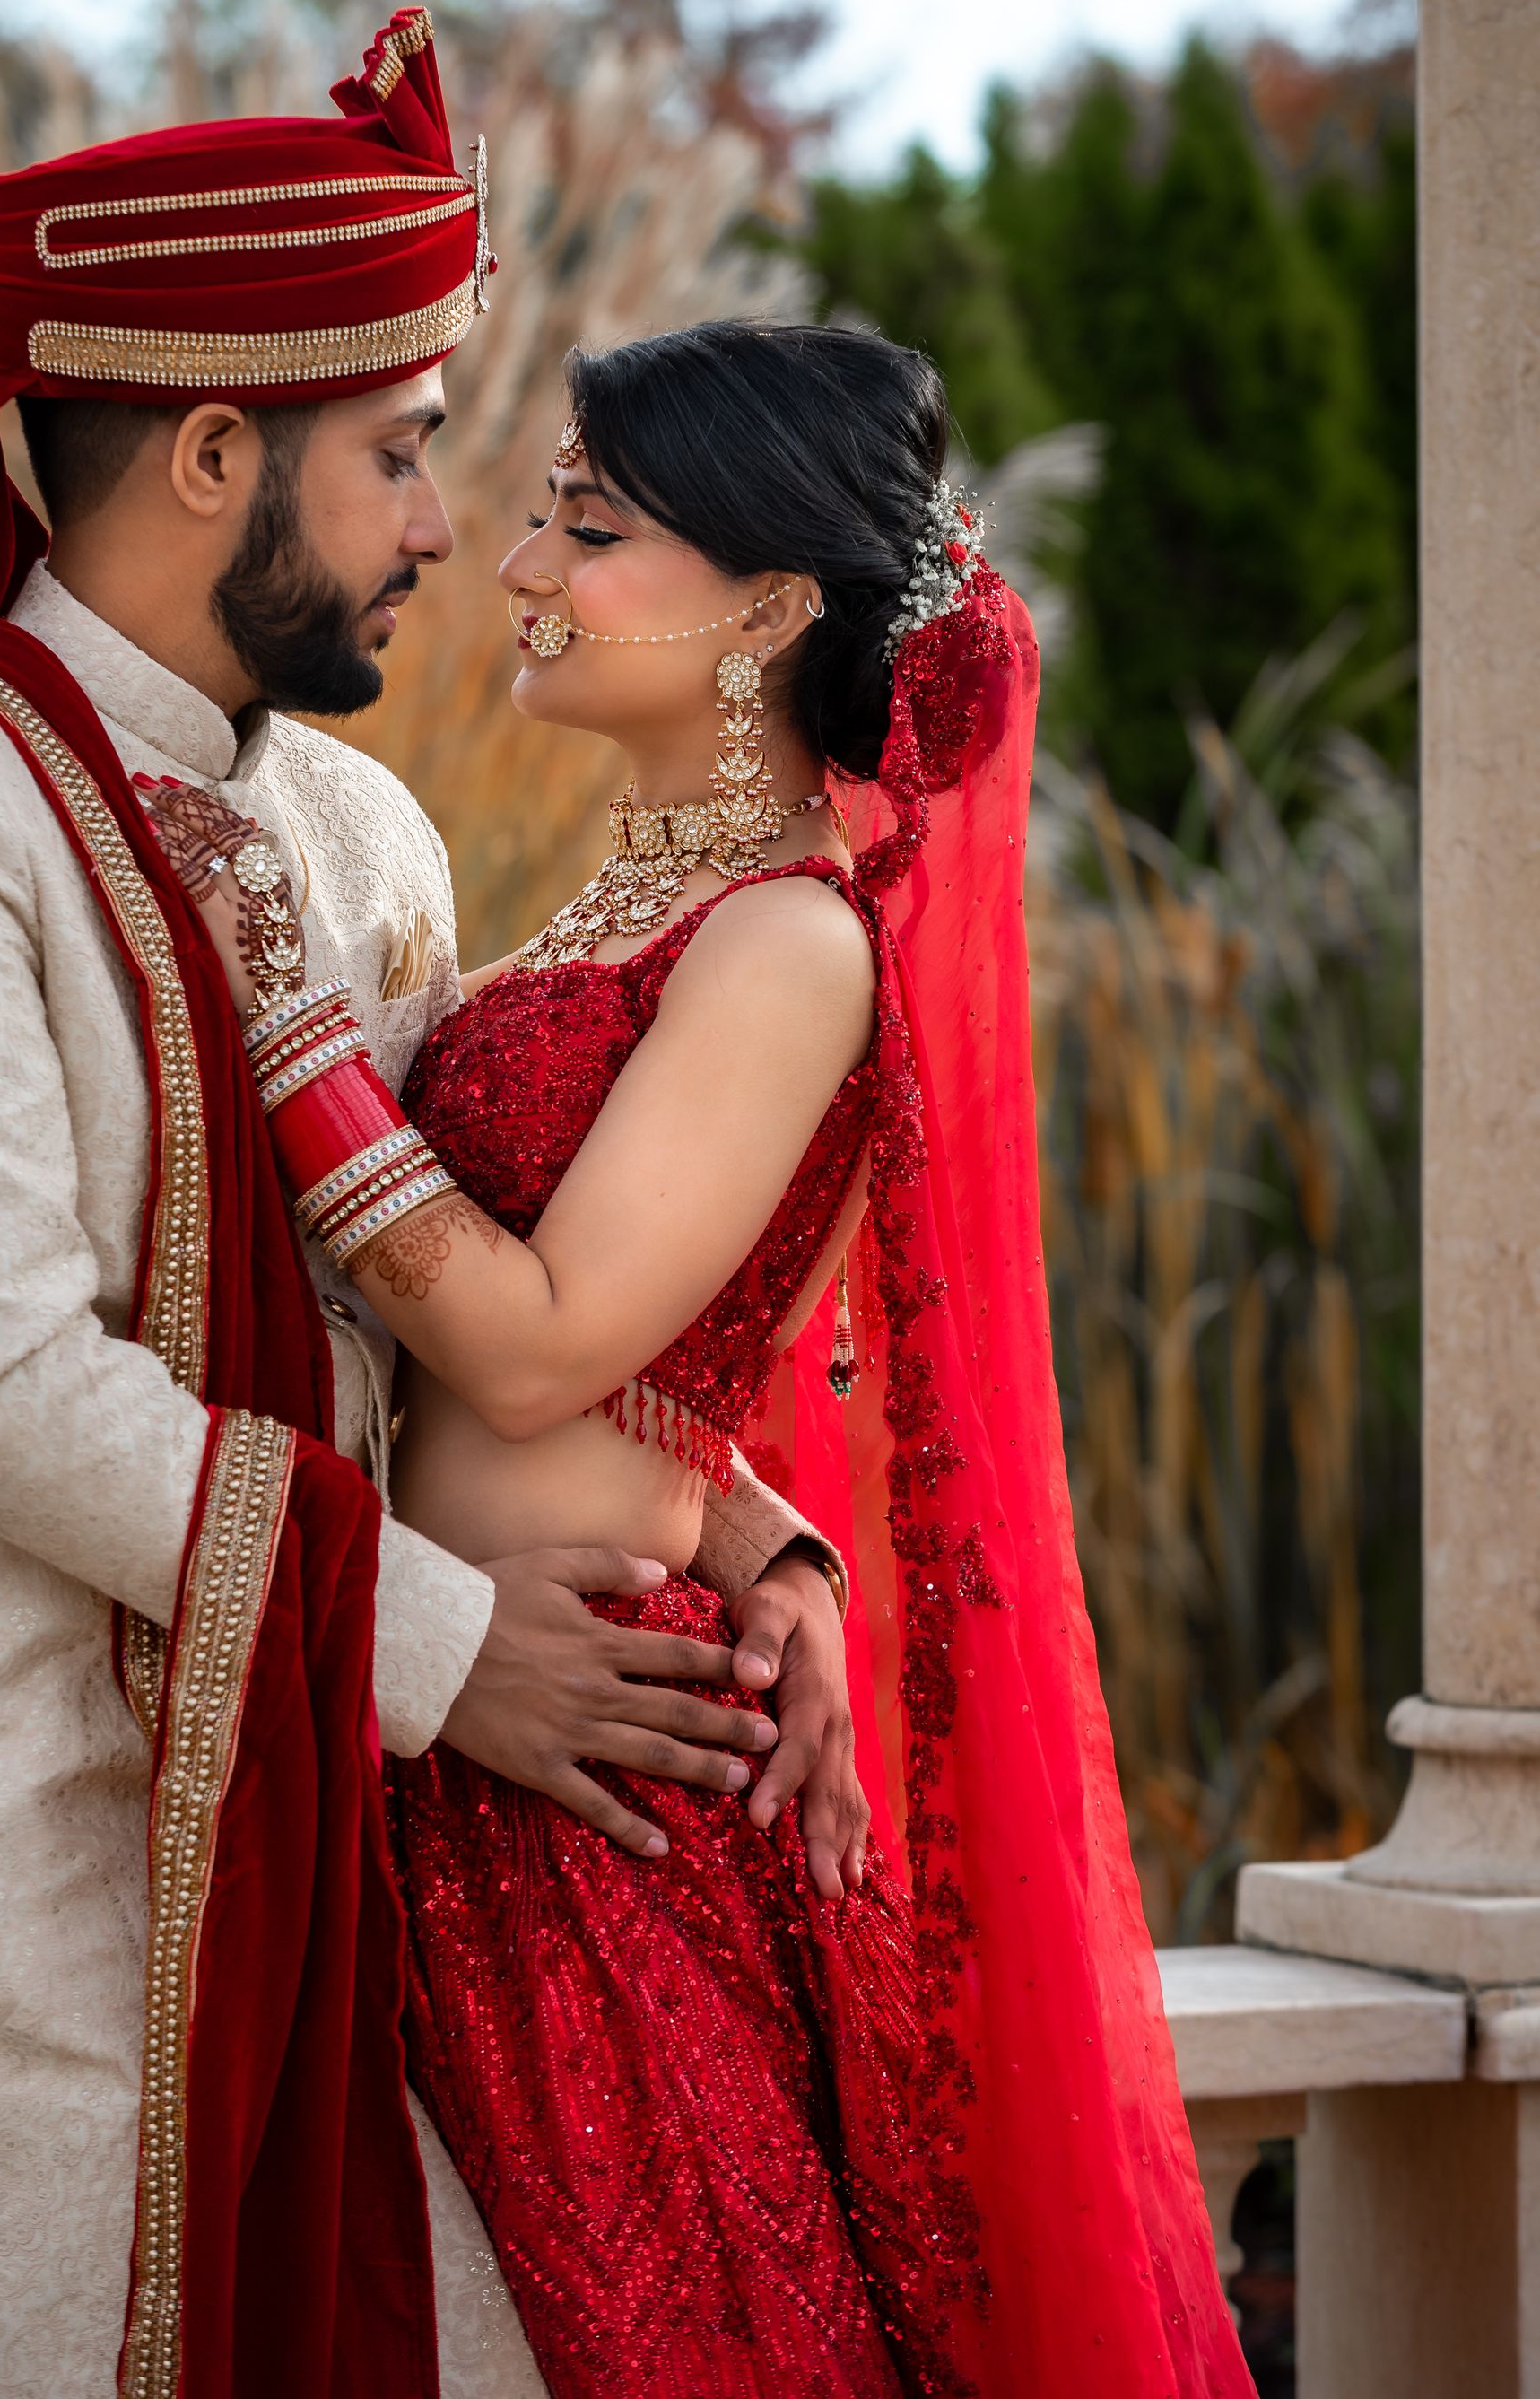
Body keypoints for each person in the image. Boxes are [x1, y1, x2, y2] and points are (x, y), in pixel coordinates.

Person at [0, 18, 857, 2399]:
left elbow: (482, 1302)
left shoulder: (364, 840)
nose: (449, 526)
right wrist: (461, 1649)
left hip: (385, 1887)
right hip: (57, 1919)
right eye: (403, 454)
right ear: (217, 447)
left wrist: (763, 1540)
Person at [170, 320, 1257, 2399]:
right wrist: (783, 1548)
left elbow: (533, 1348)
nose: (517, 565)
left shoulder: (787, 938)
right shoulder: (621, 909)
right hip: (511, 1716)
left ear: (766, 605)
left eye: (586, 524)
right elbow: (654, 1374)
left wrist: (287, 1022)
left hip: (599, 1783)